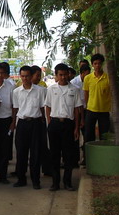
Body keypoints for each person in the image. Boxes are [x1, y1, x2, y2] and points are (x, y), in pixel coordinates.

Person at [44, 63, 83, 191]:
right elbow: (48, 106)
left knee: (68, 155)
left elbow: (77, 110)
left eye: (65, 74)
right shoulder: (51, 89)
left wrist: (76, 128)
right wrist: (50, 122)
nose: (63, 77)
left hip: (68, 124)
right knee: (54, 154)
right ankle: (55, 183)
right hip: (55, 124)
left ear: (69, 74)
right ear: (56, 75)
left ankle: (67, 182)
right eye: (60, 75)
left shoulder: (74, 89)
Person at [11, 65, 47, 189]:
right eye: (22, 76)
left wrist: (44, 123)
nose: (25, 78)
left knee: (35, 153)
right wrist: (13, 123)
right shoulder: (16, 92)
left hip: (36, 123)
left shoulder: (41, 91)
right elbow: (15, 109)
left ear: (31, 76)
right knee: (21, 152)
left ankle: (36, 180)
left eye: (27, 76)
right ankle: (21, 179)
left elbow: (42, 108)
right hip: (22, 123)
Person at [82, 53, 112, 165]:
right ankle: (87, 159)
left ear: (102, 64)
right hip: (91, 110)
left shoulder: (108, 78)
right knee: (88, 135)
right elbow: (86, 94)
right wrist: (87, 106)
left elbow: (111, 94)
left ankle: (104, 158)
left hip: (104, 111)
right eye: (95, 63)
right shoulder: (88, 78)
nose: (97, 66)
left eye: (99, 63)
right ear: (92, 65)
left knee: (104, 136)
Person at [0, 62, 14, 183]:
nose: (0, 75)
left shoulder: (10, 87)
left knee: (5, 149)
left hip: (6, 120)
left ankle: (3, 174)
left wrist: (13, 122)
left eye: (2, 73)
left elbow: (14, 106)